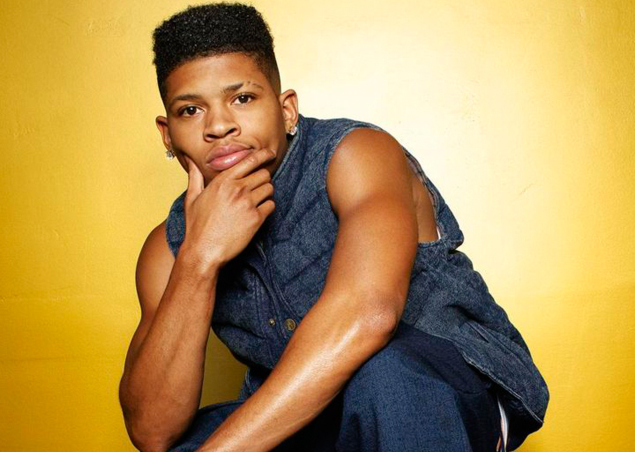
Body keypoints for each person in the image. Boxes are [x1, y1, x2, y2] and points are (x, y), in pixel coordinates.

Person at [118, 3, 549, 452]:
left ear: (286, 110)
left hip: (441, 390)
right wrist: (199, 258)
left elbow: (369, 314)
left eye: (242, 98)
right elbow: (152, 430)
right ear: (167, 135)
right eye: (191, 110)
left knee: (384, 373)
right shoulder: (167, 249)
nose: (220, 126)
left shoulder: (354, 155)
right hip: (317, 417)